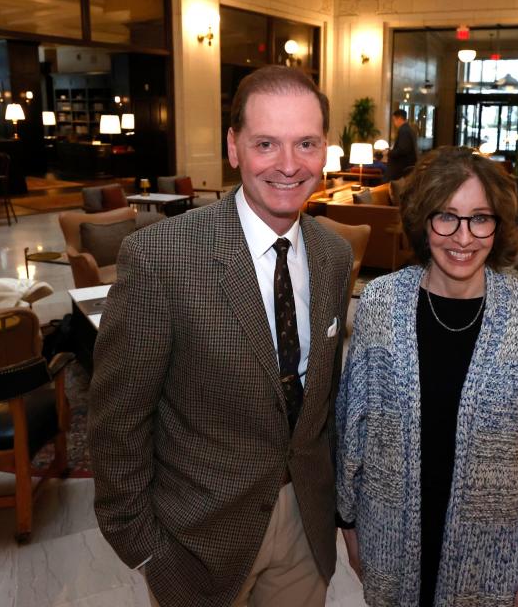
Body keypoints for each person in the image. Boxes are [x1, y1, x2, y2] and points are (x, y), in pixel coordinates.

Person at [88, 65, 354, 607]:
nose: (288, 165)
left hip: (306, 525)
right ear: (234, 148)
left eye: (306, 143)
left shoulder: (334, 255)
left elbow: (322, 403)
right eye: (266, 144)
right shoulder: (160, 257)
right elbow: (117, 419)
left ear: (326, 149)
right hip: (197, 541)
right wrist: (143, 546)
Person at [336, 146, 518, 607]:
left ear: (498, 226)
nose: (463, 237)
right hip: (390, 544)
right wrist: (349, 527)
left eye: (480, 218)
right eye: (447, 217)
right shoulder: (380, 303)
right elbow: (350, 427)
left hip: (495, 559)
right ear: (424, 221)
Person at [386, 109, 418, 181]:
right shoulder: (409, 129)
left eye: (394, 120)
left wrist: (389, 152)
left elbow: (403, 150)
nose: (394, 123)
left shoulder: (404, 130)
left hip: (402, 168)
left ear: (400, 118)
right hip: (407, 166)